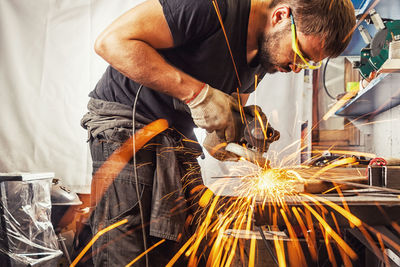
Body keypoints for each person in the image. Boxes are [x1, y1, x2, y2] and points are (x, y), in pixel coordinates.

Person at [81, 0, 356, 266]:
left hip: (176, 136)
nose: (296, 68)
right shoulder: (210, 7)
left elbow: (219, 113)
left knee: (179, 248)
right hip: (126, 125)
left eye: (309, 64)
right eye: (300, 54)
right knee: (127, 250)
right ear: (281, 16)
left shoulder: (263, 59)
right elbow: (112, 42)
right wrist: (197, 94)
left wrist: (238, 130)